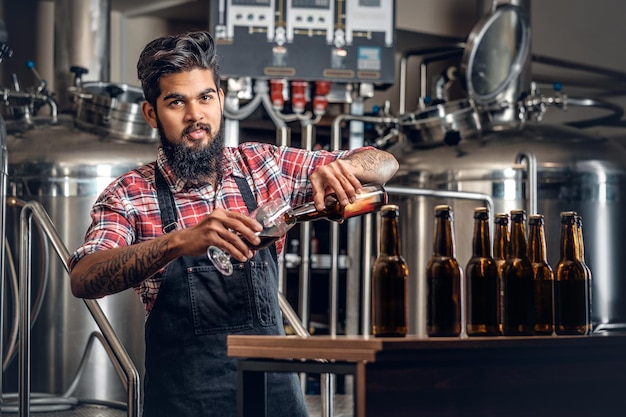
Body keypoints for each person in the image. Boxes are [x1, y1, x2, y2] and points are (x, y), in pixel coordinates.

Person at [68, 31, 399, 417]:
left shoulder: (262, 165)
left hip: (275, 401)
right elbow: (84, 277)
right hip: (185, 404)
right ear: (151, 113)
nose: (195, 115)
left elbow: (384, 162)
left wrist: (347, 167)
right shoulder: (129, 192)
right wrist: (178, 242)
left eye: (205, 98)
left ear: (221, 100)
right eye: (177, 102)